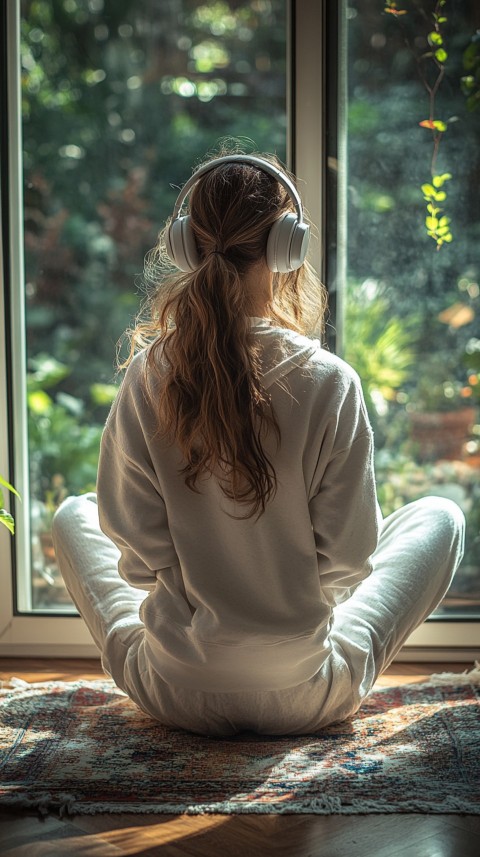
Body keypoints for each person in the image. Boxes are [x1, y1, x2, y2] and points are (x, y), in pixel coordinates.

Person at [53, 150, 465, 736]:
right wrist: (285, 600)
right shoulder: (330, 381)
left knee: (74, 514)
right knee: (441, 516)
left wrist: (195, 600)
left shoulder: (148, 373)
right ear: (286, 247)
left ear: (186, 247)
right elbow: (349, 559)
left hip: (174, 690)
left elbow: (137, 558)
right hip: (305, 693)